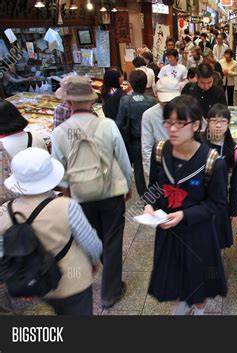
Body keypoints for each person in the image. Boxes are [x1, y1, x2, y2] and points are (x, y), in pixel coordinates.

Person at [51, 76, 133, 310]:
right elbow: (123, 160)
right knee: (113, 239)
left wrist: (68, 196)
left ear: (67, 103)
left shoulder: (59, 133)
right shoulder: (107, 125)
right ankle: (111, 291)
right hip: (111, 192)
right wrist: (127, 185)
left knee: (94, 238)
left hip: (81, 196)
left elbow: (59, 171)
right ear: (90, 101)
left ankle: (97, 277)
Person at [145, 95, 228, 315]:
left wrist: (185, 215)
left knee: (198, 279)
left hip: (198, 233)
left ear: (196, 125)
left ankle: (199, 310)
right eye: (169, 122)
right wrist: (149, 205)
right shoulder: (160, 151)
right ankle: (182, 302)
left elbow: (217, 204)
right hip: (168, 231)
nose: (173, 129)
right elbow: (154, 186)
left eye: (180, 123)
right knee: (175, 276)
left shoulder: (212, 161)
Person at [0, 148, 102, 315]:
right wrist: (94, 260)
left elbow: (3, 252)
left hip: (40, 281)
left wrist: (20, 276)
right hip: (74, 281)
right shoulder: (66, 206)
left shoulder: (6, 211)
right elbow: (91, 242)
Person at [201, 104, 237, 249]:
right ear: (207, 122)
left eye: (223, 121)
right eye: (213, 121)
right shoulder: (199, 143)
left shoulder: (233, 148)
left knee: (217, 243)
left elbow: (235, 182)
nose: (218, 125)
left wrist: (234, 211)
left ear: (228, 124)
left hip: (220, 202)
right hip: (200, 200)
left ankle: (216, 268)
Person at [116, 70, 156, 197]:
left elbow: (119, 122)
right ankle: (155, 192)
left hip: (134, 139)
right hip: (151, 138)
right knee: (153, 166)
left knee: (138, 167)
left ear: (131, 84)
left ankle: (143, 195)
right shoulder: (152, 100)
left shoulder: (125, 100)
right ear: (146, 83)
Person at [142, 76, 180, 175]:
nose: (168, 106)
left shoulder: (187, 110)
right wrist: (151, 172)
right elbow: (147, 146)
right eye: (165, 103)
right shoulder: (149, 115)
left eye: (171, 102)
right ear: (157, 96)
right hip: (161, 164)